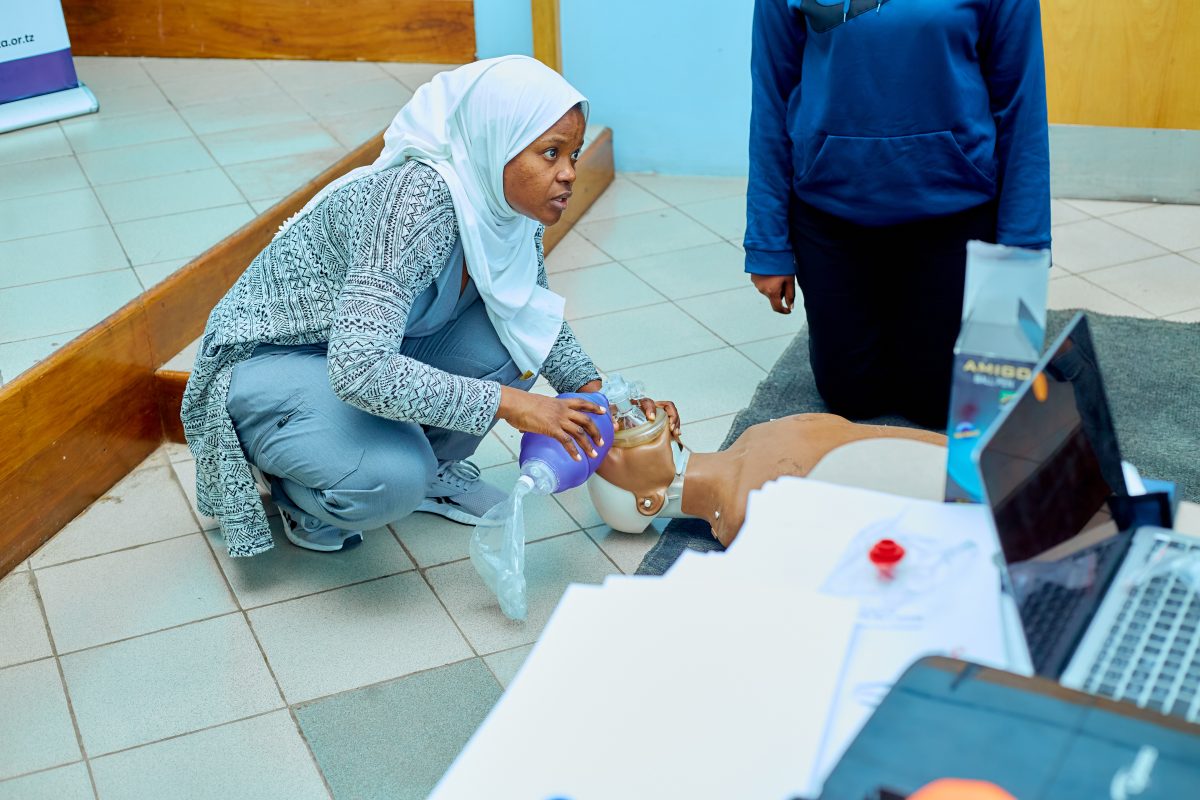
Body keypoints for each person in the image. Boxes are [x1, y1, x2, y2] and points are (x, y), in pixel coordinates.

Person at [182, 56, 677, 557]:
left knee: (515, 342)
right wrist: (513, 404)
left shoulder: (506, 208)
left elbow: (532, 319)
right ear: (496, 141)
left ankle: (431, 471)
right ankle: (300, 492)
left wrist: (611, 405)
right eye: (550, 153)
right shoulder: (415, 204)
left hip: (352, 351)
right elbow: (360, 369)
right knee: (392, 477)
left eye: (573, 153)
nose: (569, 172)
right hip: (271, 360)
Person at [745, 0, 1051, 428]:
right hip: (831, 215)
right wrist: (767, 245)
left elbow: (1022, 101)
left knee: (939, 405)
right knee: (850, 398)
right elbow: (771, 98)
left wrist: (1024, 244)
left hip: (953, 214)